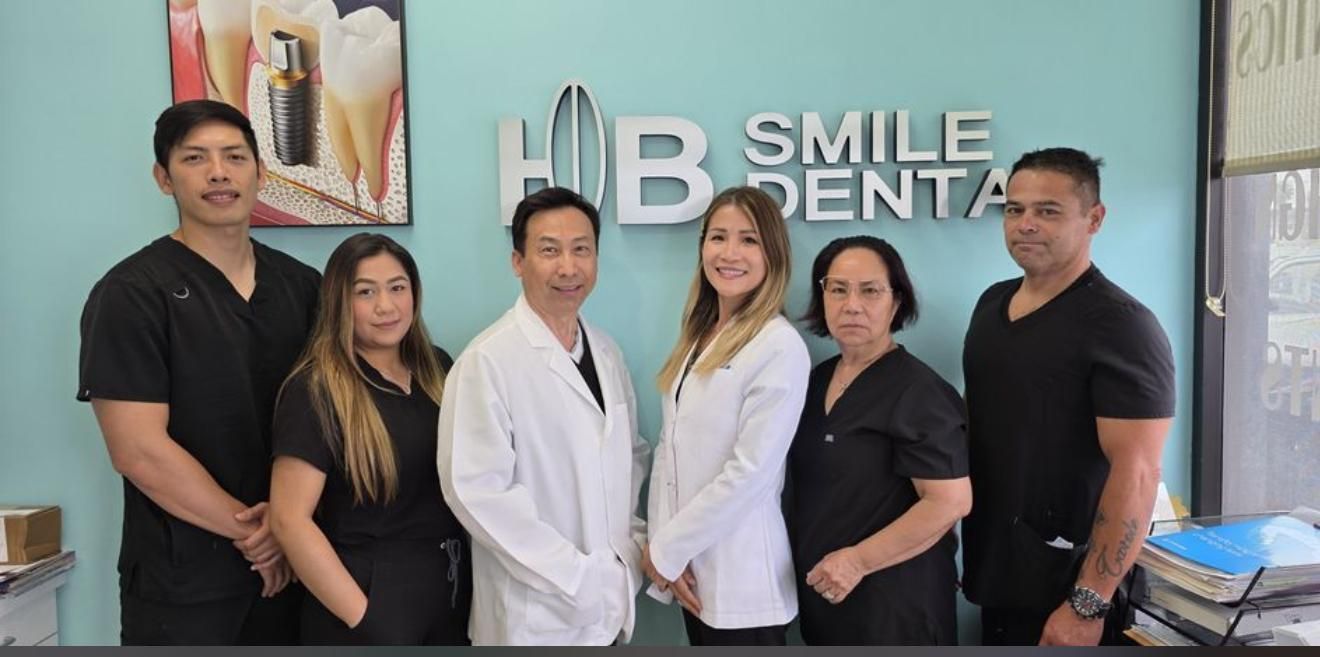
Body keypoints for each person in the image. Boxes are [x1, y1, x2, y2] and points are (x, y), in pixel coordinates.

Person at [77, 99, 319, 645]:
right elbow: (137, 450)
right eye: (195, 159)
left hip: (299, 569)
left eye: (234, 156)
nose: (218, 172)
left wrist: (290, 532)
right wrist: (261, 533)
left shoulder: (303, 287)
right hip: (184, 582)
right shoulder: (132, 294)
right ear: (164, 178)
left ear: (260, 172)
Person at [961, 147, 1176, 646]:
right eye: (1014, 210)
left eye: (1048, 211)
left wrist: (1088, 603)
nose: (1025, 224)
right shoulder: (992, 304)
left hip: (1069, 594)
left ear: (1094, 219)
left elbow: (1139, 473)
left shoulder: (1123, 326)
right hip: (996, 577)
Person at [436, 187, 650, 645]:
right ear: (518, 262)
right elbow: (475, 492)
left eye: (581, 250)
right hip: (534, 616)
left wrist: (625, 555)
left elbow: (630, 457)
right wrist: (575, 576)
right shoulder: (488, 360)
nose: (568, 267)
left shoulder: (606, 351)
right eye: (549, 250)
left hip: (607, 607)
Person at [268, 233, 471, 645]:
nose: (386, 306)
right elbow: (289, 520)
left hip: (449, 593)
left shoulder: (439, 369)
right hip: (364, 605)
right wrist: (365, 620)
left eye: (397, 288)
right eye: (365, 292)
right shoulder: (316, 388)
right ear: (339, 301)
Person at [642, 186, 810, 646]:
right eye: (718, 237)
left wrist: (668, 550)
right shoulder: (699, 335)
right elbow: (669, 448)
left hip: (743, 580)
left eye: (749, 240)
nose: (729, 253)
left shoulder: (779, 346)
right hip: (691, 571)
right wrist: (665, 551)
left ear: (772, 253)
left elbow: (750, 471)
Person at [786, 236, 972, 645]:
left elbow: (950, 501)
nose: (852, 305)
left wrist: (857, 561)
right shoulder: (813, 381)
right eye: (838, 289)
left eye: (870, 291)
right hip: (828, 601)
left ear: (897, 301)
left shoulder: (918, 392)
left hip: (897, 609)